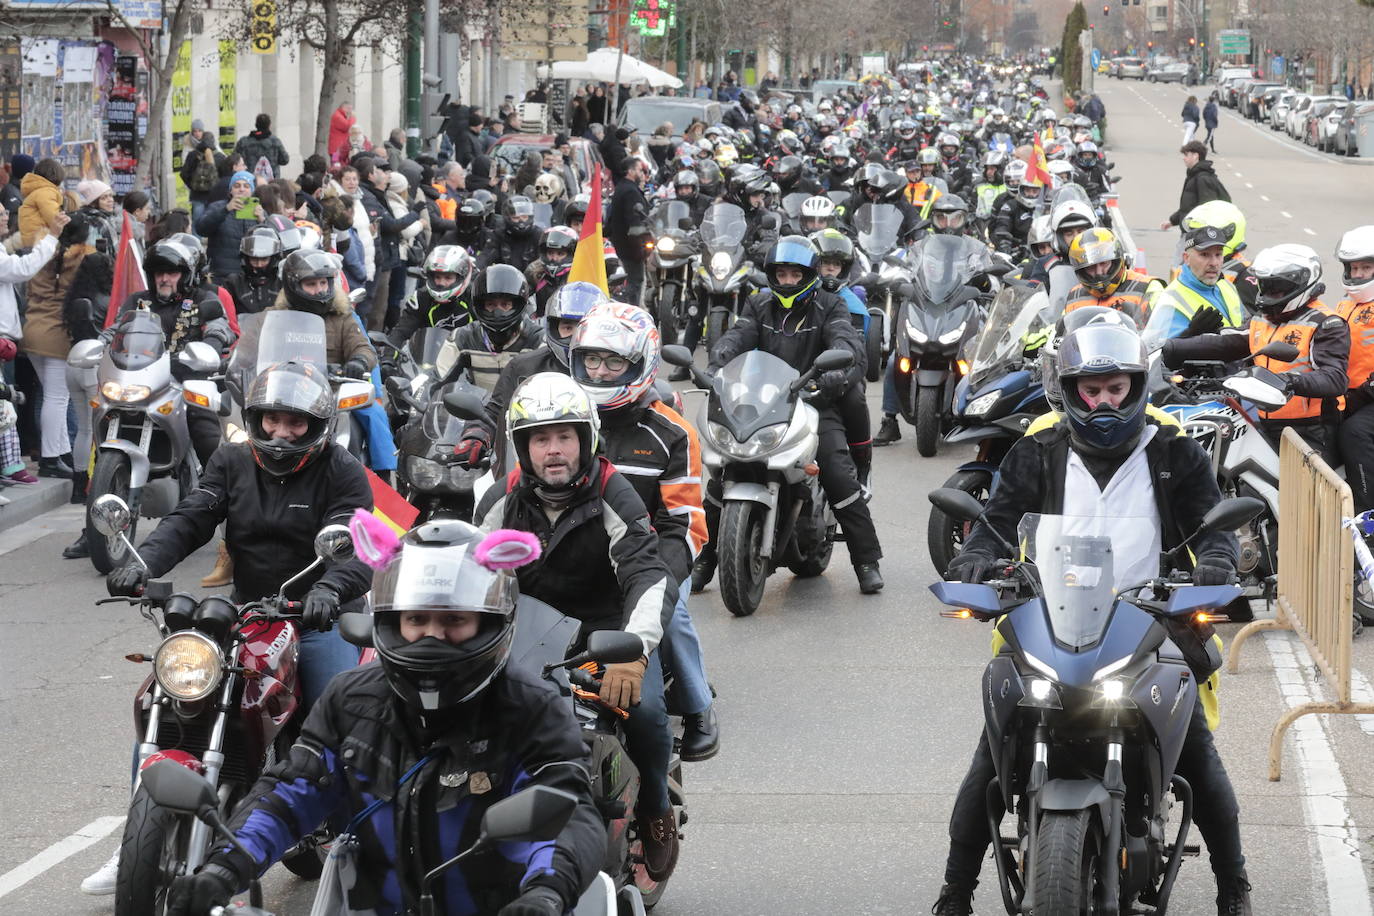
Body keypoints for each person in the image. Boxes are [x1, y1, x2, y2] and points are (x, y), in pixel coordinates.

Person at [933, 313, 1253, 916]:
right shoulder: (1039, 448)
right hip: (1048, 623)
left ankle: (1234, 887)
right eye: (1091, 389)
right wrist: (975, 560)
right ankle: (954, 893)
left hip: (1149, 622)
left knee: (1198, 760)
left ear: (1137, 384)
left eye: (1116, 389)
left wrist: (1215, 563)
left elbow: (1212, 526)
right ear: (1071, 389)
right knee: (989, 762)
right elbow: (997, 526)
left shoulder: (1171, 449)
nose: (1104, 402)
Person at [164, 515, 605, 916]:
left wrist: (546, 893)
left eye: (454, 621)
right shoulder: (350, 699)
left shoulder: (531, 707)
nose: (432, 636)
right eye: (417, 619)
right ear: (391, 622)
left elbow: (564, 812)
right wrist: (225, 866)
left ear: (491, 622)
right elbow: (293, 791)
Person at [85, 362, 377, 898]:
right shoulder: (233, 459)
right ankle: (137, 833)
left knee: (335, 715)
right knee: (171, 700)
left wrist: (329, 592)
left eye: (294, 423)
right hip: (249, 612)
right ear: (256, 420)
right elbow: (192, 516)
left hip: (313, 616)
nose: (281, 433)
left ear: (316, 425)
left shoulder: (342, 470)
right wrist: (144, 563)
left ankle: (350, 835)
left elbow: (358, 547)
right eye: (270, 421)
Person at [472, 372, 683, 881]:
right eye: (541, 439)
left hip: (605, 635)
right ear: (522, 446)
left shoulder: (617, 493)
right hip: (526, 634)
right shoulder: (501, 500)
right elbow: (468, 575)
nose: (554, 450)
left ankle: (655, 807)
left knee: (648, 713)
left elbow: (648, 575)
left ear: (586, 439)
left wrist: (632, 653)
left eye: (565, 436)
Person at [569, 301, 720, 760]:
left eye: (614, 361)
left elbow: (686, 526)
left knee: (670, 616)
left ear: (640, 364)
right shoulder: (563, 422)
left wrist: (658, 581)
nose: (599, 371)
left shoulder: (671, 433)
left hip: (650, 557)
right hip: (575, 553)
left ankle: (698, 706)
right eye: (592, 358)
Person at [705, 235, 884, 594]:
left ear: (810, 275)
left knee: (837, 475)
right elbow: (738, 337)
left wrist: (831, 377)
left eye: (795, 274)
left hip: (814, 402)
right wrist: (718, 362)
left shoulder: (831, 306)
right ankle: (705, 558)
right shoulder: (758, 306)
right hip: (764, 402)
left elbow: (845, 344)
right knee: (722, 474)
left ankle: (866, 560)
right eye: (781, 274)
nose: (787, 281)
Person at [1163, 244, 1349, 461]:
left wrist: (1286, 381)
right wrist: (1170, 348)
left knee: (1301, 494)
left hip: (1311, 431)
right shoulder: (1264, 318)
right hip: (1267, 422)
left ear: (1299, 284)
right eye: (1265, 286)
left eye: (1276, 287)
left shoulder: (1327, 323)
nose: (1268, 293)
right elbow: (1226, 343)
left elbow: (1334, 378)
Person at [102, 235, 236, 466]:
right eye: (158, 273)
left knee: (205, 433)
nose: (164, 279)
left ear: (186, 275)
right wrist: (98, 345)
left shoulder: (203, 298)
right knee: (107, 414)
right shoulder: (137, 301)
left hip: (188, 381)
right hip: (142, 381)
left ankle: (218, 489)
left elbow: (220, 327)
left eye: (171, 273)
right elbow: (116, 329)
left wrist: (211, 345)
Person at [455, 281, 607, 472]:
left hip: (598, 469)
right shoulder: (522, 366)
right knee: (487, 500)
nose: (577, 337)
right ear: (553, 328)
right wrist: (476, 434)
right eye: (568, 328)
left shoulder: (614, 373)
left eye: (585, 328)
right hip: (527, 471)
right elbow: (494, 411)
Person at [21, 211, 99, 478]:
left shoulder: (42, 254)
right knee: (57, 397)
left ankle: (61, 453)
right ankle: (51, 459)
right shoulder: (82, 260)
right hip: (57, 334)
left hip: (31, 330)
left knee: (51, 395)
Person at [444, 264, 543, 394]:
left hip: (524, 412)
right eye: (491, 305)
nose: (497, 312)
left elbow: (553, 386)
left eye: (505, 304)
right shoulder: (462, 337)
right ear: (480, 305)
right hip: (477, 411)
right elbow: (436, 379)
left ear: (519, 304)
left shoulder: (537, 339)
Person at [1151, 225, 1247, 339]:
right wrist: (1188, 335)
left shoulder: (1227, 286)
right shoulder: (1170, 300)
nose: (1214, 263)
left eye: (1218, 254)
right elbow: (1157, 351)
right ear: (1186, 258)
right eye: (1205, 254)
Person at [1337, 227, 1374, 515]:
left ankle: (1367, 518)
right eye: (1354, 267)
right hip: (1348, 395)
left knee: (1354, 431)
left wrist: (1361, 395)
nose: (1358, 274)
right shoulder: (1345, 305)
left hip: (1367, 397)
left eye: (1366, 267)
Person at [1062, 227, 1162, 325]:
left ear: (1116, 260)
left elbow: (1161, 330)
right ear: (1082, 271)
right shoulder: (1074, 296)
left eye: (1104, 263)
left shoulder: (1148, 288)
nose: (1099, 272)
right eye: (1090, 267)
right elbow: (1060, 331)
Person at [388, 245, 476, 348]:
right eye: (437, 277)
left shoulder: (475, 298)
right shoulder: (421, 298)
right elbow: (401, 332)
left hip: (467, 357)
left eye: (448, 277)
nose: (441, 283)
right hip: (428, 357)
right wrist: (387, 360)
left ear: (462, 277)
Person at [196, 170, 263, 282]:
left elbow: (269, 240)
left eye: (246, 186)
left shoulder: (259, 210)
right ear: (231, 190)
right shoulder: (217, 207)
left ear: (252, 191)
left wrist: (262, 221)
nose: (241, 189)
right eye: (237, 186)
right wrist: (226, 209)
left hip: (249, 276)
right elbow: (202, 229)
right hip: (221, 275)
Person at [607, 158, 651, 304]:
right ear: (631, 171)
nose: (641, 173)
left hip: (622, 244)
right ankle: (632, 310)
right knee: (635, 281)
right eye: (639, 170)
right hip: (631, 247)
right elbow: (635, 223)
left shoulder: (623, 187)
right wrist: (641, 250)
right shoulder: (630, 192)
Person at [1160, 141, 1229, 233]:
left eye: (1186, 155)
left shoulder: (1202, 179)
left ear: (1195, 156)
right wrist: (1172, 221)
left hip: (1196, 235)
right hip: (1191, 232)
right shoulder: (1194, 176)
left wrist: (1203, 236)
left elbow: (1208, 209)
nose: (1183, 158)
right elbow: (1188, 207)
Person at [223, 226, 284, 317]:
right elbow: (223, 315)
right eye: (254, 259)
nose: (259, 264)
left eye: (264, 259)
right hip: (241, 330)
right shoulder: (234, 282)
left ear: (273, 259)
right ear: (247, 259)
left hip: (275, 329)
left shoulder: (282, 282)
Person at [233, 113, 290, 178]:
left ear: (256, 125)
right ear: (269, 125)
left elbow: (234, 159)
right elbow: (285, 160)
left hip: (249, 179)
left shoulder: (243, 142)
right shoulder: (275, 141)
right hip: (271, 181)